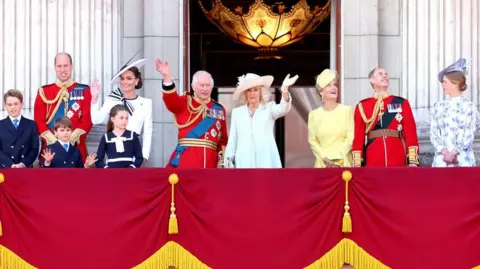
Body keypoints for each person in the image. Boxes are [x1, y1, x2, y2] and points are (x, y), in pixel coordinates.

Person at [155, 59, 228, 168]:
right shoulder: (185, 102)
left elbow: (223, 140)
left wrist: (221, 161)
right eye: (201, 85)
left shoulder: (219, 109)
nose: (205, 88)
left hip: (210, 163)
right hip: (186, 160)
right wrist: (167, 77)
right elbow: (171, 100)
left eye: (208, 85)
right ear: (193, 86)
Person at [223, 72, 298, 168]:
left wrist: (284, 91)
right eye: (249, 91)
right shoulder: (237, 112)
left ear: (261, 92)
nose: (252, 93)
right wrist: (228, 160)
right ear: (245, 93)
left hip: (266, 160)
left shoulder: (269, 108)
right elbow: (233, 138)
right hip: (244, 161)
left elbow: (284, 108)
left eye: (255, 90)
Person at [90, 57, 152, 166]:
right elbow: (96, 120)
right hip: (113, 154)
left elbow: (147, 132)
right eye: (122, 78)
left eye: (129, 78)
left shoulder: (146, 103)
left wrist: (144, 157)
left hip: (134, 153)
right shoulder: (113, 98)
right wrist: (94, 98)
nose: (124, 82)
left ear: (136, 81)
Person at [352, 67, 420, 167]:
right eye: (380, 74)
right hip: (373, 157)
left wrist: (412, 160)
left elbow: (410, 132)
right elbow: (358, 137)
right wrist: (357, 164)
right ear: (372, 80)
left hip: (397, 155)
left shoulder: (401, 103)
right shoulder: (362, 106)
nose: (385, 76)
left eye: (386, 74)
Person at [34, 52, 92, 162]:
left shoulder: (84, 90)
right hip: (50, 151)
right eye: (59, 66)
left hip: (76, 150)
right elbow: (39, 121)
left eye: (65, 66)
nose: (62, 69)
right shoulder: (44, 91)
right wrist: (54, 141)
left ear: (71, 67)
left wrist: (71, 139)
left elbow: (87, 121)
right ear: (55, 68)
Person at [430, 58, 477, 167]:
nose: (442, 85)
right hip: (441, 161)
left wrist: (454, 152)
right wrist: (445, 152)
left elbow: (469, 133)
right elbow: (434, 132)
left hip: (463, 160)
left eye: (445, 82)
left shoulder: (469, 107)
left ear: (455, 84)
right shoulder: (438, 106)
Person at [308, 69, 354, 168]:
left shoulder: (347, 110)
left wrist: (338, 158)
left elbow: (351, 138)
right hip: (322, 164)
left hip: (343, 163)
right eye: (329, 85)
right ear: (321, 92)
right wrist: (326, 159)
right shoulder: (313, 115)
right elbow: (313, 141)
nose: (334, 88)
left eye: (335, 85)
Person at [0, 89, 40, 168]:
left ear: (22, 104)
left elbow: (34, 149)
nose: (13, 107)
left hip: (25, 168)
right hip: (5, 168)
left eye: (16, 104)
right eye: (9, 104)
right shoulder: (0, 125)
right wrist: (10, 164)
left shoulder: (31, 124)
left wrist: (23, 164)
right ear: (5, 106)